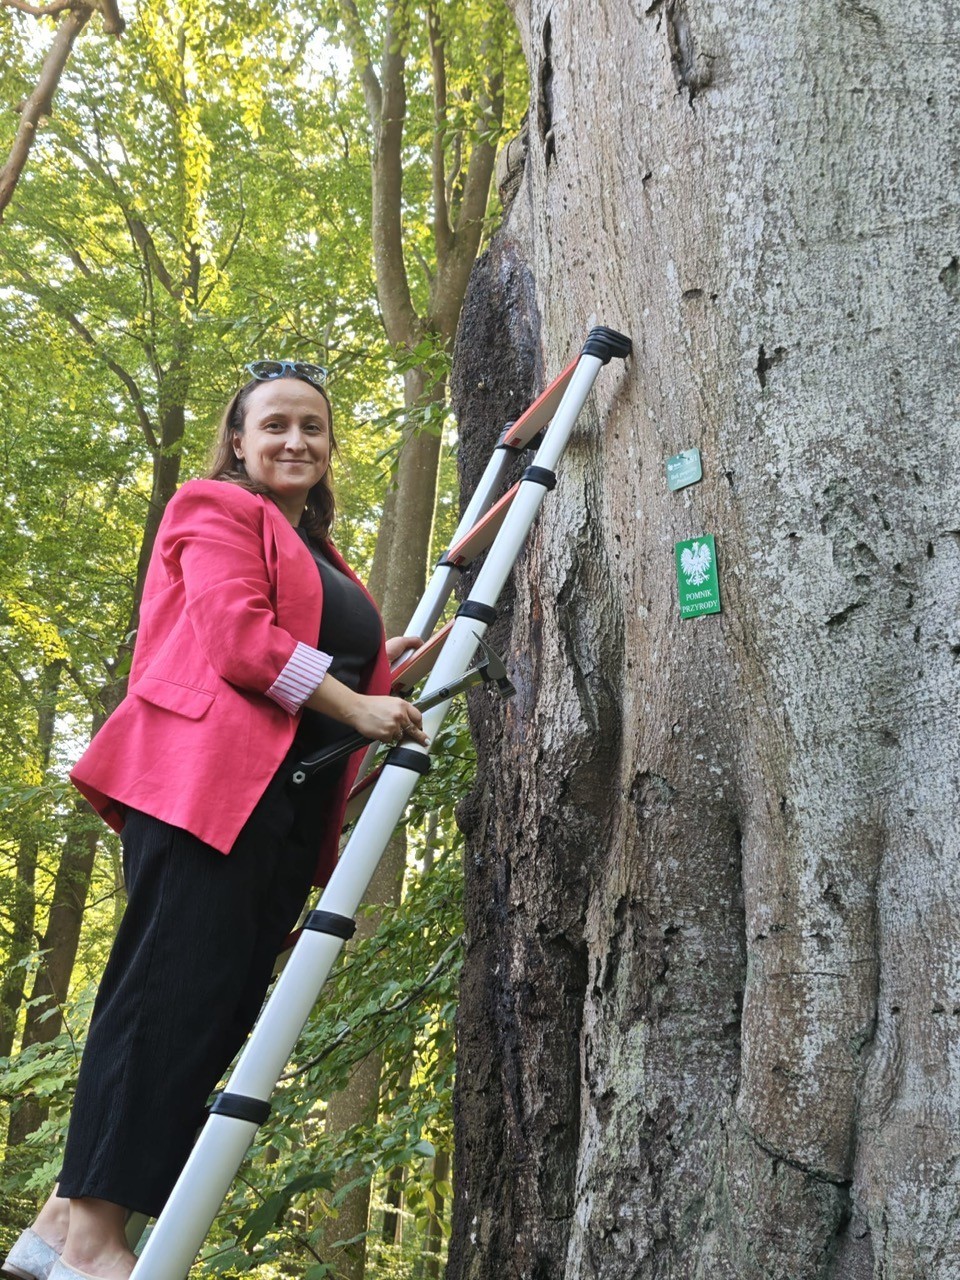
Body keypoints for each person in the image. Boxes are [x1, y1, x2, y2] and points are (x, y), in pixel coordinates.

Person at [2, 361, 427, 1280]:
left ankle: (57, 1221)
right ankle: (95, 1242)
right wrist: (356, 708)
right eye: (274, 424)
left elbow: (309, 646)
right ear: (238, 439)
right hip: (206, 790)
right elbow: (238, 642)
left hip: (277, 812)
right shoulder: (213, 506)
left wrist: (380, 664)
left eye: (313, 427)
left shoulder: (322, 553)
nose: (294, 441)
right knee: (166, 1000)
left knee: (211, 1011)